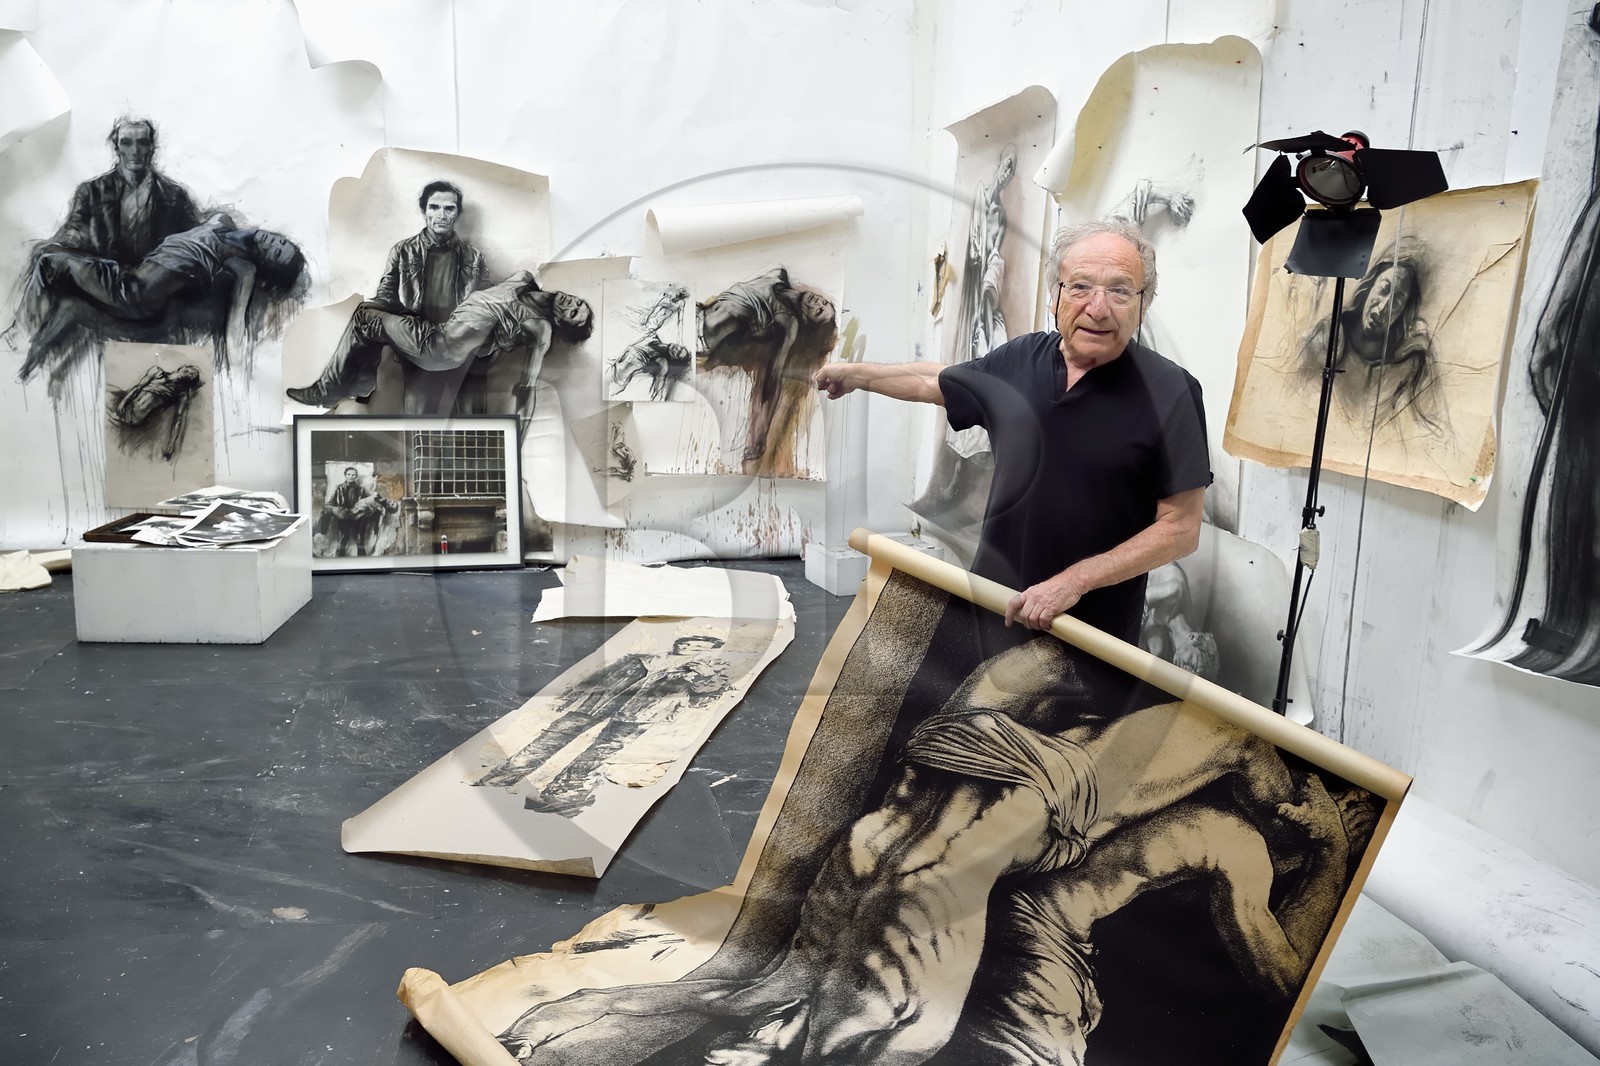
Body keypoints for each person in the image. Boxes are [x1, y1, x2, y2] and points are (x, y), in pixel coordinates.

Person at [494, 639, 1341, 1065]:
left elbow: (674, 1015)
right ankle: (1306, 818)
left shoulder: (789, 995)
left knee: (1056, 662)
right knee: (1229, 742)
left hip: (951, 776)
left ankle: (1290, 806)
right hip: (1008, 807)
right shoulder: (881, 1032)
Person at [815, 218, 1210, 646]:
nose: (1097, 308)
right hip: (992, 612)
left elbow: (1180, 528)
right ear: (1055, 295)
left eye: (1119, 291)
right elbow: (934, 381)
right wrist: (855, 374)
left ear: (1142, 305)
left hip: (1093, 640)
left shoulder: (1171, 391)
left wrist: (1074, 581)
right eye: (1080, 287)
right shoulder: (1022, 359)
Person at [285, 270, 593, 434]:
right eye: (579, 304)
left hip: (438, 351)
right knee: (374, 310)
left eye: (574, 315)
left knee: (365, 317)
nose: (572, 306)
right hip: (435, 332)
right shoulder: (522, 279)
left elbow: (527, 390)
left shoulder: (541, 329)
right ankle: (359, 383)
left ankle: (327, 391)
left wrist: (519, 437)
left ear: (563, 325)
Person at [17, 214, 306, 383]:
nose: (274, 245)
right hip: (127, 277)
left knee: (46, 259)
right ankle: (20, 339)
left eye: (276, 255)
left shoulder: (244, 268)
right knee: (51, 261)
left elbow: (236, 325)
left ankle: (16, 336)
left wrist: (246, 372)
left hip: (133, 296)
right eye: (282, 243)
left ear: (269, 266)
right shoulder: (225, 220)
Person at [474, 634, 731, 815]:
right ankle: (500, 778)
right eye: (688, 641)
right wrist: (568, 698)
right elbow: (597, 678)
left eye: (700, 645)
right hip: (596, 704)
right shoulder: (639, 658)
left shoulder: (702, 672)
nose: (691, 646)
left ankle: (560, 793)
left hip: (640, 715)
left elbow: (703, 699)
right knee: (551, 737)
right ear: (679, 643)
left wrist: (703, 678)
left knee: (599, 752)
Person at [699, 268, 838, 477]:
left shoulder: (788, 323)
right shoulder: (778, 275)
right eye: (824, 303)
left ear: (807, 322)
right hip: (693, 312)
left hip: (698, 341)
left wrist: (759, 440)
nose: (818, 303)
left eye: (819, 312)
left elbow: (771, 382)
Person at [1298, 236, 1441, 435]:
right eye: (1383, 290)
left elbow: (1427, 429)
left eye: (1398, 301)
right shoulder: (1328, 335)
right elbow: (1297, 397)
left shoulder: (1410, 362)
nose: (1383, 308)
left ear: (1404, 311)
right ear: (1369, 286)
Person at [51, 116, 201, 265]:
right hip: (105, 279)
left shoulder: (174, 195)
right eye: (126, 143)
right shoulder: (91, 192)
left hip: (158, 281)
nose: (135, 151)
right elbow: (73, 233)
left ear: (152, 148)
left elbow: (193, 240)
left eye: (142, 143)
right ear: (117, 148)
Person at [107, 363, 204, 461]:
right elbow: (137, 388)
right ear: (182, 368)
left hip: (133, 416)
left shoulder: (181, 394)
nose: (190, 373)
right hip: (123, 403)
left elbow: (178, 421)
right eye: (189, 370)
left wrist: (171, 446)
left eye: (192, 375)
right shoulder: (156, 371)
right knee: (106, 392)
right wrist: (123, 403)